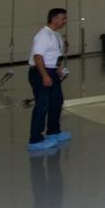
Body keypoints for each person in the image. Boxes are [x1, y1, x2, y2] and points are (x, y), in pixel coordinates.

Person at [27, 8, 71, 152]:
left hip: (51, 71)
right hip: (40, 72)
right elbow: (38, 57)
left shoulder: (55, 34)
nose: (65, 21)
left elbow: (53, 56)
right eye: (63, 18)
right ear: (54, 19)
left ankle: (53, 131)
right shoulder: (43, 35)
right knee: (42, 105)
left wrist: (57, 70)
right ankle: (35, 140)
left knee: (56, 102)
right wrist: (45, 75)